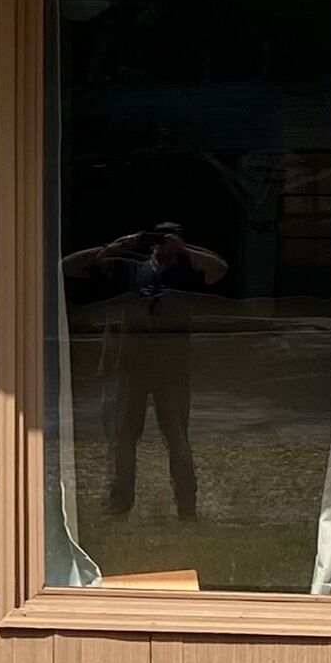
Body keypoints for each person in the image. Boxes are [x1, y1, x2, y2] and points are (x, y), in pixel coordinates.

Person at [61, 219, 229, 520]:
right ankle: (119, 506)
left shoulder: (186, 270)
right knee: (123, 438)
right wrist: (126, 243)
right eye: (161, 239)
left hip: (172, 369)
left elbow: (219, 269)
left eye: (172, 238)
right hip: (131, 367)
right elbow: (71, 265)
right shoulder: (129, 267)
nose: (165, 244)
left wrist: (184, 250)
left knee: (177, 437)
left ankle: (187, 508)